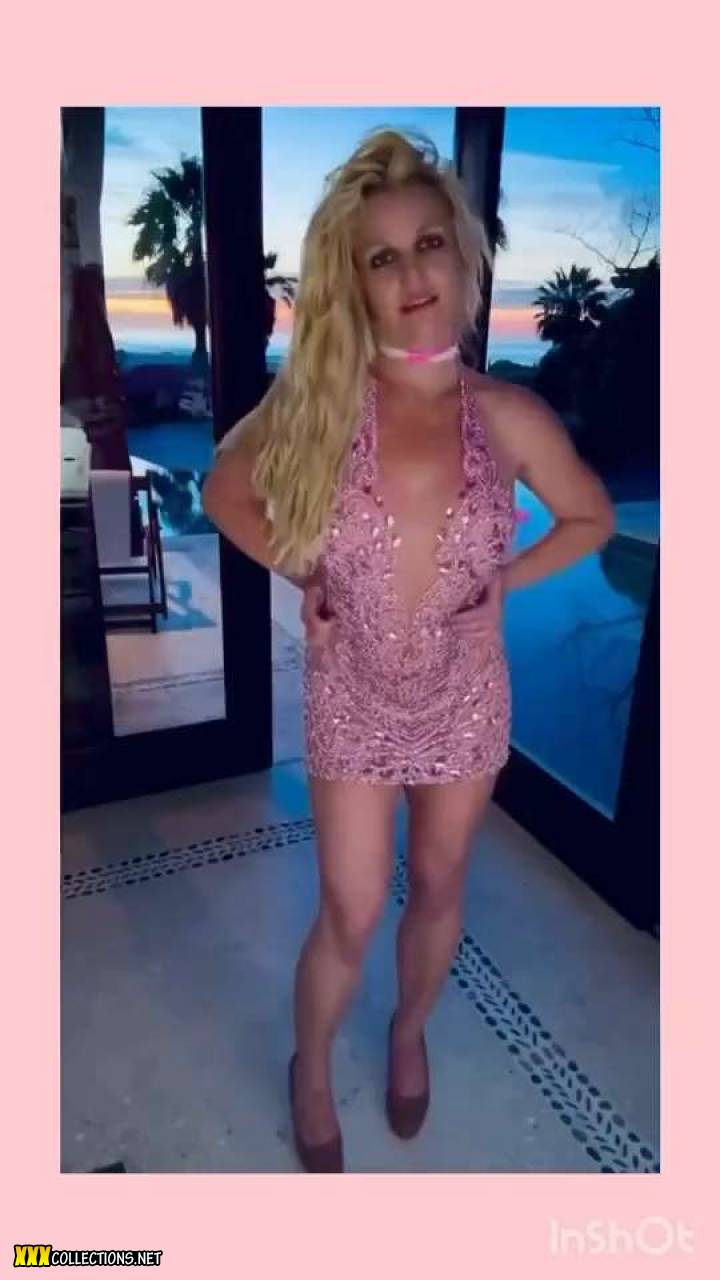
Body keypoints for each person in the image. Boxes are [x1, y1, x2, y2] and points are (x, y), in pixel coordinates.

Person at [202, 127, 616, 1173]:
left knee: (437, 884)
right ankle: (309, 1065)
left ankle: (408, 1030)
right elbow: (224, 491)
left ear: (462, 254)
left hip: (466, 696)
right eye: (381, 256)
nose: (411, 273)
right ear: (356, 282)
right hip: (352, 691)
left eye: (428, 242)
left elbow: (592, 519)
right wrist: (304, 573)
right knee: (350, 906)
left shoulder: (507, 414)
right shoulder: (317, 401)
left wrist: (504, 582)